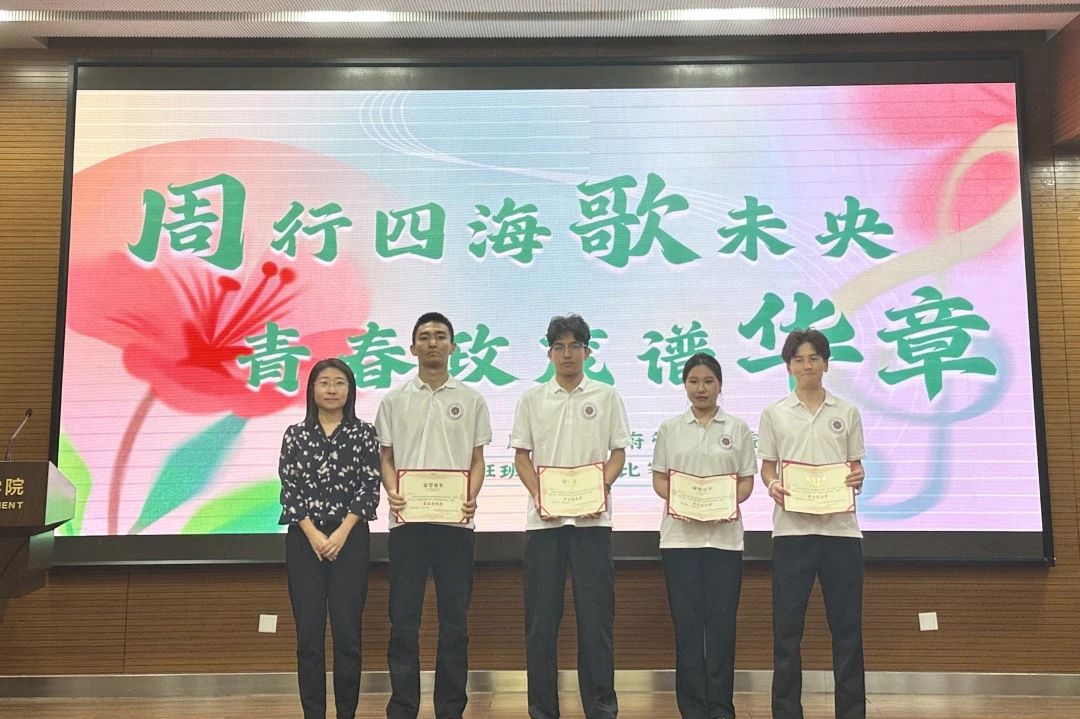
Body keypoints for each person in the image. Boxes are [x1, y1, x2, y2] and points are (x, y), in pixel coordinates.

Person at [511, 313, 629, 719]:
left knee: (596, 619)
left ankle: (601, 707)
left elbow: (618, 452)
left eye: (574, 346)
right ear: (549, 353)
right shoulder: (532, 399)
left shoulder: (606, 396)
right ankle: (543, 709)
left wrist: (601, 487)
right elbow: (521, 456)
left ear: (587, 352)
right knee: (541, 621)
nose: (567, 354)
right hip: (543, 524)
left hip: (592, 523)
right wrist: (540, 493)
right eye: (559, 347)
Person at [376, 311, 492, 719]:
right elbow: (386, 457)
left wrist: (470, 496)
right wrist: (392, 491)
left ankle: (450, 708)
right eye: (424, 337)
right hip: (407, 524)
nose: (432, 343)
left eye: (440, 336)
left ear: (453, 346)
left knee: (454, 623)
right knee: (403, 621)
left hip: (455, 525)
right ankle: (403, 706)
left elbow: (477, 459)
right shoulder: (394, 400)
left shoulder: (472, 399)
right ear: (412, 348)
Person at [758, 329, 867, 719]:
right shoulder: (774, 413)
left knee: (847, 631)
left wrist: (858, 476)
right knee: (787, 632)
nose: (807, 366)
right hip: (793, 532)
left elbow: (855, 466)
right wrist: (772, 484)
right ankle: (787, 712)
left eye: (814, 358)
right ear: (789, 366)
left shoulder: (847, 412)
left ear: (826, 363)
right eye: (799, 359)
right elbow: (767, 466)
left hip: (841, 532)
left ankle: (851, 712)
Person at [651, 353, 755, 719]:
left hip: (724, 542)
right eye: (694, 381)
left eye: (708, 381)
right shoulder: (670, 429)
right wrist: (684, 501)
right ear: (685, 385)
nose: (701, 388)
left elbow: (746, 483)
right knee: (688, 627)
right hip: (680, 541)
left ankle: (721, 707)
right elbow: (659, 479)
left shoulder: (738, 429)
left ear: (720, 385)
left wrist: (721, 501)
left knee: (722, 627)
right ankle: (692, 708)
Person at [279, 357, 381, 719]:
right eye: (324, 382)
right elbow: (290, 490)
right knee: (308, 636)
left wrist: (340, 533)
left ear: (350, 390)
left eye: (340, 382)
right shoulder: (295, 434)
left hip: (349, 540)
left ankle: (346, 713)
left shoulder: (364, 433)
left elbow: (370, 487)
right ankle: (314, 713)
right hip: (304, 543)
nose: (332, 389)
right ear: (312, 390)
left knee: (347, 635)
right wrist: (314, 535)